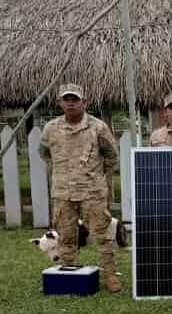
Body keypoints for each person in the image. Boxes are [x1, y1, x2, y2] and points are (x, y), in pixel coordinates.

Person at [39, 83, 121, 293]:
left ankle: (110, 275)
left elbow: (111, 156)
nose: (71, 103)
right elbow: (45, 153)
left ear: (84, 102)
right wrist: (63, 174)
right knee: (66, 235)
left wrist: (99, 179)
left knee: (102, 235)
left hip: (92, 192)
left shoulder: (98, 127)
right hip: (63, 193)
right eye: (66, 99)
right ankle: (68, 271)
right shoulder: (50, 128)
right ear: (60, 103)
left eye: (75, 99)